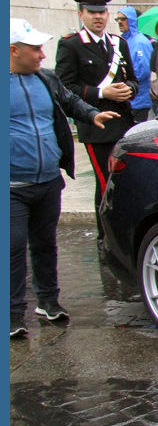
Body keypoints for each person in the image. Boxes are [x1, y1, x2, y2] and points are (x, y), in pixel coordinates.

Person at [10, 18, 119, 338]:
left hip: (47, 181)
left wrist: (92, 114)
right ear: (13, 51)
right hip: (12, 187)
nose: (42, 55)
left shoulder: (45, 79)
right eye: (35, 49)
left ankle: (48, 301)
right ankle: (14, 314)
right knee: (14, 248)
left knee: (45, 244)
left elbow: (71, 102)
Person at [55, 0, 138, 245]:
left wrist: (128, 91)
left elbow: (134, 80)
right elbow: (65, 87)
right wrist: (102, 92)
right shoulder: (71, 45)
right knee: (106, 183)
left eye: (102, 11)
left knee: (126, 182)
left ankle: (124, 233)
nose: (98, 17)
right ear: (81, 14)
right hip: (96, 126)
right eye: (91, 12)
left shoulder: (119, 43)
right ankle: (107, 240)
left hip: (123, 123)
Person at [115, 6, 154, 122]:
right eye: (117, 19)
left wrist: (122, 81)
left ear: (132, 20)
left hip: (139, 99)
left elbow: (143, 70)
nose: (120, 22)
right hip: (127, 98)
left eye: (123, 19)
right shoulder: (122, 40)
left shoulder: (140, 42)